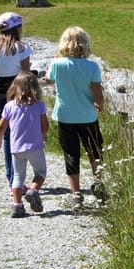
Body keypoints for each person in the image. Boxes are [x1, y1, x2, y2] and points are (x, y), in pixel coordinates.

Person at [45, 26, 105, 208]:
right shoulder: (92, 66)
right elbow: (97, 94)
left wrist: (53, 63)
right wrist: (100, 106)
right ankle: (98, 182)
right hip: (87, 115)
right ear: (85, 43)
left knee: (71, 154)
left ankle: (76, 193)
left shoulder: (57, 64)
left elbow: (48, 80)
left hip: (65, 115)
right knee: (95, 151)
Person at [0, 12, 32, 188]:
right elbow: (26, 75)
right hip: (16, 94)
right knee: (18, 136)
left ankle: (10, 177)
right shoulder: (22, 49)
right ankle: (17, 179)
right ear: (17, 28)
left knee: (6, 135)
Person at [0, 71, 48, 217]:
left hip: (16, 148)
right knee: (41, 172)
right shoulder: (39, 105)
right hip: (35, 146)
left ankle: (17, 206)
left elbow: (1, 126)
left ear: (15, 87)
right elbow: (45, 125)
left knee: (17, 176)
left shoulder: (9, 106)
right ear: (36, 88)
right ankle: (33, 190)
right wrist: (43, 135)